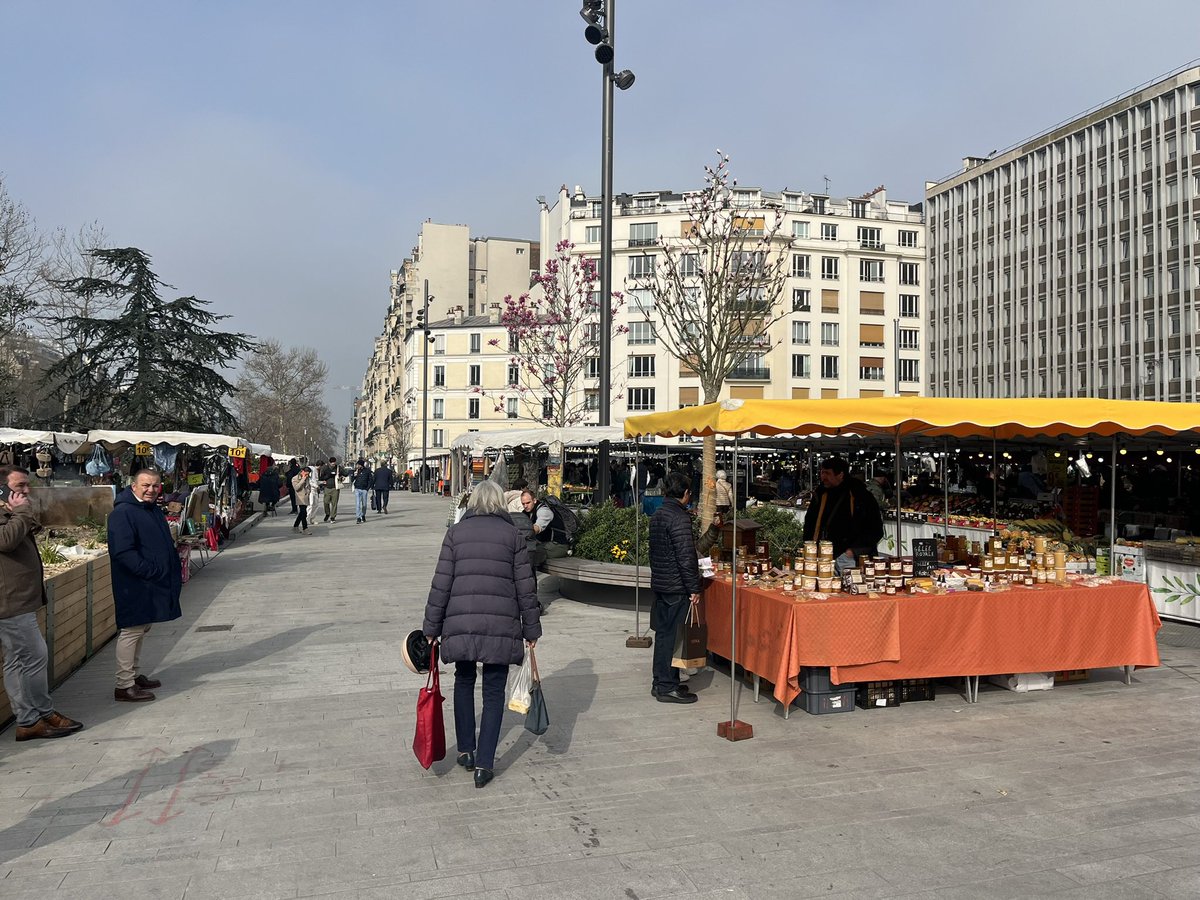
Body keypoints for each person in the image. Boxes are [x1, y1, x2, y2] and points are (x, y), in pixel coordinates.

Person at [422, 481, 541, 789]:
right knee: (493, 692)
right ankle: (485, 765)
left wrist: (431, 629)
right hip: (500, 626)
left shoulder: (455, 533)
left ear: (473, 503)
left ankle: (465, 750)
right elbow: (525, 587)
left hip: (461, 624)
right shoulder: (512, 535)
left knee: (463, 681)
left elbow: (441, 585)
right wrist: (531, 629)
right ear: (501, 504)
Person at [0, 466, 84, 739]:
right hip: (9, 601)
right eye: (20, 485)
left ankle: (28, 720)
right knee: (36, 656)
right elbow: (6, 541)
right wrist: (22, 512)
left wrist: (22, 512)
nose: (26, 490)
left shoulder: (11, 510)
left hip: (20, 598)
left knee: (17, 660)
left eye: (27, 485)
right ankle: (41, 714)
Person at [107, 468, 181, 702]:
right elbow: (122, 551)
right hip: (135, 582)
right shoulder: (124, 512)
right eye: (146, 485)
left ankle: (133, 675)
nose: (151, 490)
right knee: (131, 630)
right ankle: (124, 684)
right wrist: (149, 570)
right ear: (134, 486)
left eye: (155, 486)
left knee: (142, 627)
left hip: (150, 582)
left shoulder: (151, 509)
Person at [647, 471, 701, 704]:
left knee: (664, 634)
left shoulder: (659, 513)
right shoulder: (679, 517)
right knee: (671, 636)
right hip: (675, 585)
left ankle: (661, 681)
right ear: (686, 494)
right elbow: (686, 557)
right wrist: (694, 588)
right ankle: (667, 685)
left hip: (661, 581)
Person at [802, 456, 884, 574]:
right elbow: (810, 523)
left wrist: (852, 552)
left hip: (849, 558)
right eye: (822, 472)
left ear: (840, 474)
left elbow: (875, 530)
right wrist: (809, 548)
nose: (823, 477)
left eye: (827, 473)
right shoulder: (820, 494)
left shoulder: (859, 495)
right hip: (822, 556)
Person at [520, 490, 569, 560]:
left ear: (534, 500)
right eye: (523, 504)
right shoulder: (526, 512)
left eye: (528, 503)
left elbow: (537, 528)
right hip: (543, 543)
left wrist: (522, 533)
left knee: (531, 553)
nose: (525, 506)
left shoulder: (544, 511)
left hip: (558, 545)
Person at [319, 457, 340, 523]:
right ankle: (327, 513)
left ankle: (333, 517)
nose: (333, 465)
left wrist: (342, 476)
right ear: (329, 463)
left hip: (335, 488)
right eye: (332, 464)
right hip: (327, 487)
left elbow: (345, 473)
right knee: (326, 502)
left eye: (334, 464)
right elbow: (321, 477)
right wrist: (328, 475)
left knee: (334, 503)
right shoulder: (325, 468)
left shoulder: (338, 468)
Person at [291, 467, 311, 533]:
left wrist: (309, 491)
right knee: (304, 513)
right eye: (306, 474)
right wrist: (302, 480)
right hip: (300, 497)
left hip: (305, 497)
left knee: (302, 513)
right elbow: (296, 488)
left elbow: (308, 486)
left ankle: (295, 526)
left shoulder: (307, 477)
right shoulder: (295, 478)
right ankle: (305, 528)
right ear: (302, 471)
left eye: (308, 474)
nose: (307, 476)